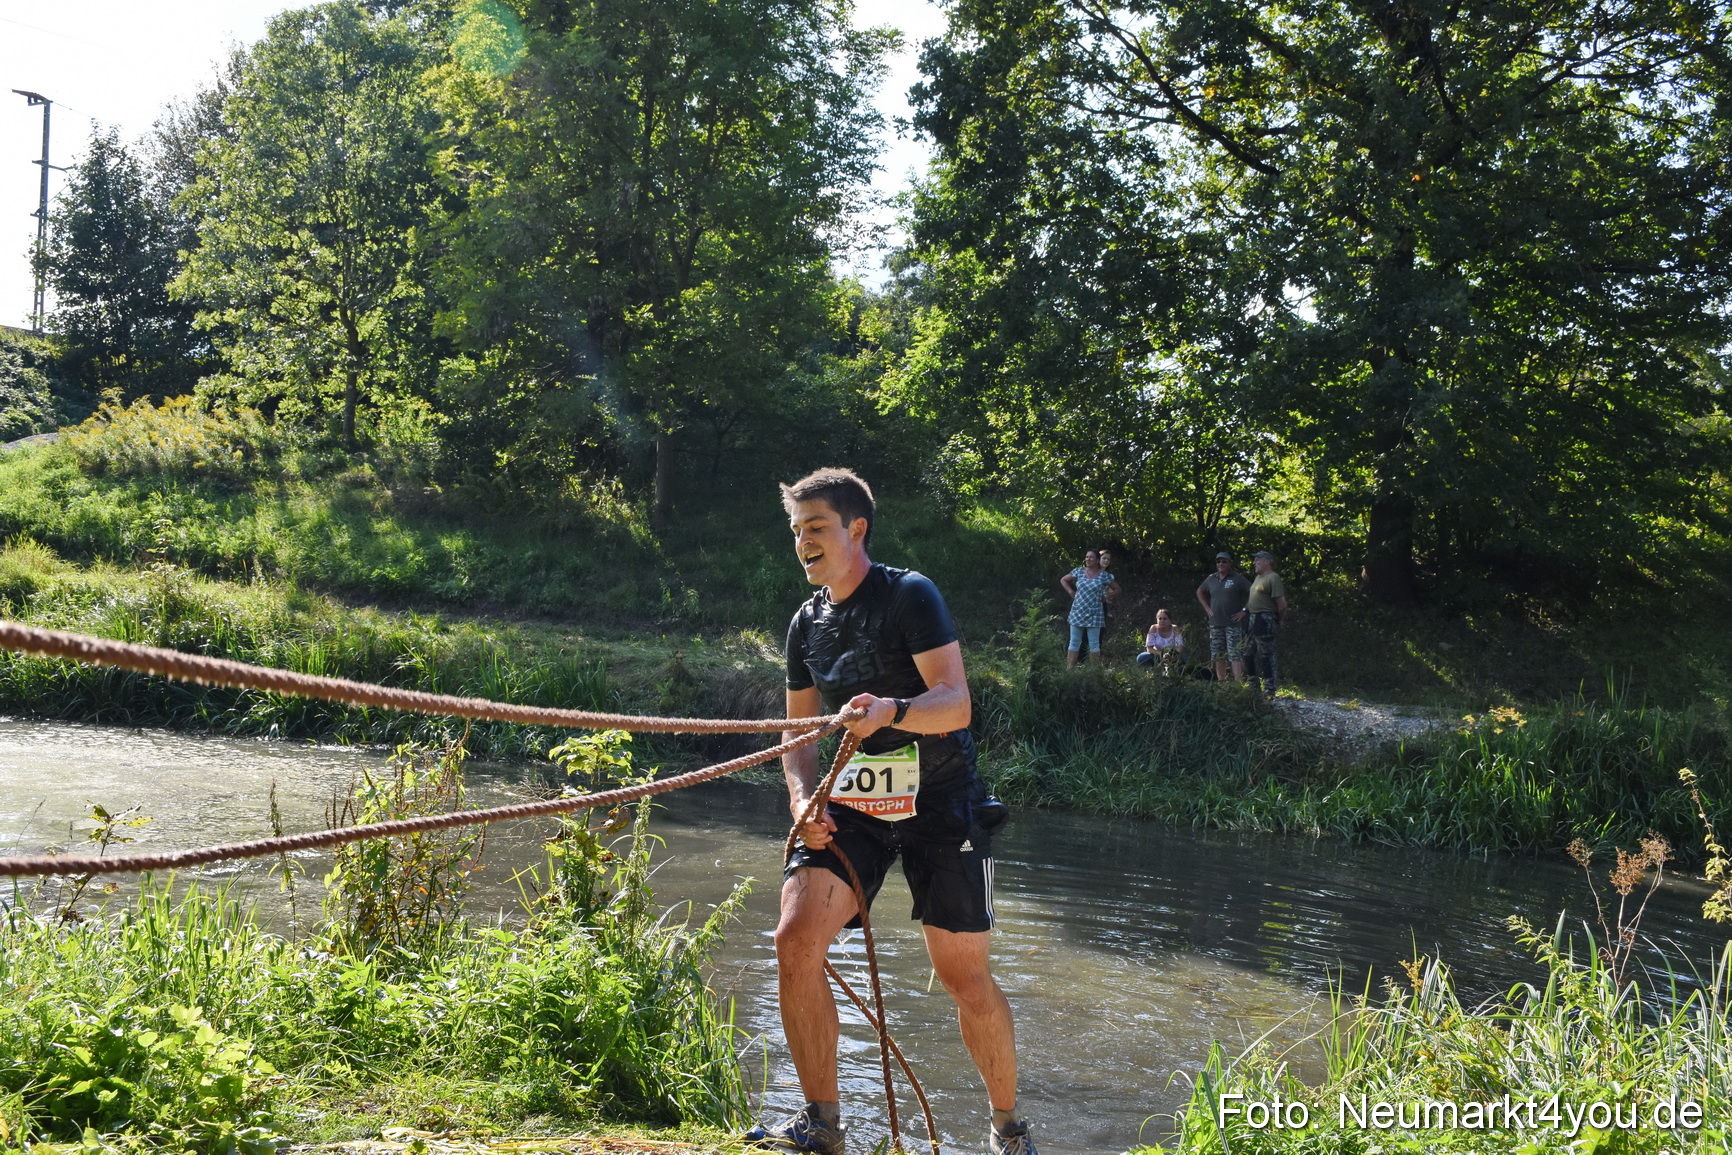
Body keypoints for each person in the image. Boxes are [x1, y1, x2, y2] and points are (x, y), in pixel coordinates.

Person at [746, 467, 1036, 1155]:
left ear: (856, 529)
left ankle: (1008, 1129)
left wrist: (891, 711)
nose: (803, 542)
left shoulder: (910, 594)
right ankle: (822, 1125)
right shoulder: (805, 625)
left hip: (943, 800)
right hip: (854, 804)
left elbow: (956, 703)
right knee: (794, 938)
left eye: (816, 527)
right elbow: (798, 736)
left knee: (964, 976)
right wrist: (802, 802)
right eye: (796, 531)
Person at [1195, 551, 1251, 682]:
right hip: (1215, 623)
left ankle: (1238, 684)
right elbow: (1200, 591)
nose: (1221, 564)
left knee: (1234, 653)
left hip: (1233, 623)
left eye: (1224, 561)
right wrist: (1207, 608)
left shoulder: (1237, 578)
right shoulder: (1211, 578)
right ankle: (1221, 682)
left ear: (1230, 563)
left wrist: (1244, 610)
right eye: (1218, 561)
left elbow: (1255, 592)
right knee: (1218, 654)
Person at [1059, 549, 1119, 668]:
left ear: (1097, 560)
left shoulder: (1104, 575)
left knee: (1094, 644)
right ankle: (1070, 670)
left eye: (1091, 557)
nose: (1088, 559)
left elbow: (1118, 589)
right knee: (1074, 642)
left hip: (1095, 613)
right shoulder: (1079, 571)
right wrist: (1071, 592)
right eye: (1087, 557)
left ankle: (1094, 672)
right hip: (1078, 611)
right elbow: (1063, 580)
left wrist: (1106, 596)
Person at [1245, 550, 1289, 700]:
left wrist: (1279, 620)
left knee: (1266, 654)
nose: (1254, 563)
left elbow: (1281, 604)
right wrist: (1244, 611)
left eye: (1257, 560)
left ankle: (1270, 688)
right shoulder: (1258, 578)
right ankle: (1252, 685)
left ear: (1267, 561)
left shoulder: (1273, 577)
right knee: (1248, 652)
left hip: (1265, 618)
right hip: (1253, 618)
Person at [1134, 609, 1185, 676]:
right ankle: (1154, 670)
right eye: (1160, 619)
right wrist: (1161, 654)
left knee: (1185, 658)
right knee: (1142, 657)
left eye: (1165, 619)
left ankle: (1177, 671)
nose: (1162, 621)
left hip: (1173, 656)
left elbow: (1180, 647)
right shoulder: (1153, 628)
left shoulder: (1175, 628)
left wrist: (1172, 655)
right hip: (1157, 655)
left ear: (1170, 620)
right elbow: (1149, 648)